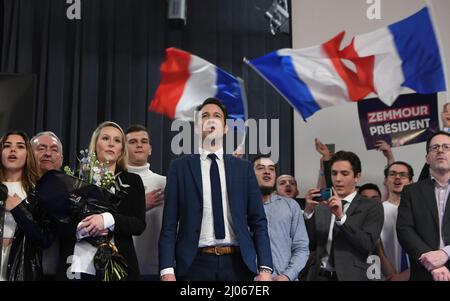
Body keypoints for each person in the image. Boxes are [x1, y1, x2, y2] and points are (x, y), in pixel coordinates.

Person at [159, 97, 273, 281]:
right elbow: (169, 224)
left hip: (238, 264)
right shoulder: (179, 168)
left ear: (226, 127)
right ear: (197, 127)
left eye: (217, 116)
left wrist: (266, 268)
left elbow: (258, 221)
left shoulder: (243, 168)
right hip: (194, 264)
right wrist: (166, 270)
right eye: (205, 116)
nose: (211, 120)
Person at [56, 121, 146, 280]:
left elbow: (138, 224)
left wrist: (107, 220)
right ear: (95, 144)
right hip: (76, 266)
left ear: (121, 150)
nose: (111, 143)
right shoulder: (73, 180)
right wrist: (81, 229)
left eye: (117, 140)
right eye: (105, 138)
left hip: (118, 267)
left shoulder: (133, 181)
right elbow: (58, 225)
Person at [303, 151, 384, 281]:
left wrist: (341, 217)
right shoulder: (322, 205)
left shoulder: (371, 206)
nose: (338, 179)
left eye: (344, 173)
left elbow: (366, 245)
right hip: (318, 276)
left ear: (357, 176)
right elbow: (309, 244)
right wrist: (308, 212)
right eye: (334, 173)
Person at [0, 131, 54, 280]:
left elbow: (45, 238)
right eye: (7, 146)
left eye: (20, 146)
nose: (13, 150)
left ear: (28, 154)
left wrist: (19, 209)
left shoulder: (38, 191)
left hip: (22, 270)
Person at [397, 131, 450, 281]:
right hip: (424, 272)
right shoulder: (411, 191)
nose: (440, 150)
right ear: (427, 158)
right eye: (435, 147)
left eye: (446, 147)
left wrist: (445, 253)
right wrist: (433, 263)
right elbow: (404, 229)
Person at [253, 155, 309, 281]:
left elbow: (301, 247)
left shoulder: (291, 205)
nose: (267, 171)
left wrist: (288, 275)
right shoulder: (239, 207)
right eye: (261, 168)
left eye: (271, 169)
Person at [125, 124, 166, 281]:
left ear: (150, 149)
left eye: (144, 141)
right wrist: (141, 205)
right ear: (123, 148)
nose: (139, 145)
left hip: (155, 268)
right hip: (120, 266)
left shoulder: (164, 183)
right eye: (133, 141)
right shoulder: (114, 182)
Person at [31, 131, 64, 279]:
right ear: (29, 155)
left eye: (54, 149)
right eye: (41, 148)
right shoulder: (14, 189)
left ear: (61, 159)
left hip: (59, 272)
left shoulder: (73, 191)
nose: (48, 153)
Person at [377, 161, 413, 281]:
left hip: (418, 274)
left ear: (411, 181)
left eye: (403, 175)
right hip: (386, 275)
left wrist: (405, 275)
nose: (397, 177)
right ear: (386, 180)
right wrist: (392, 276)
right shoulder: (377, 211)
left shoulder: (421, 211)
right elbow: (377, 248)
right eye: (392, 174)